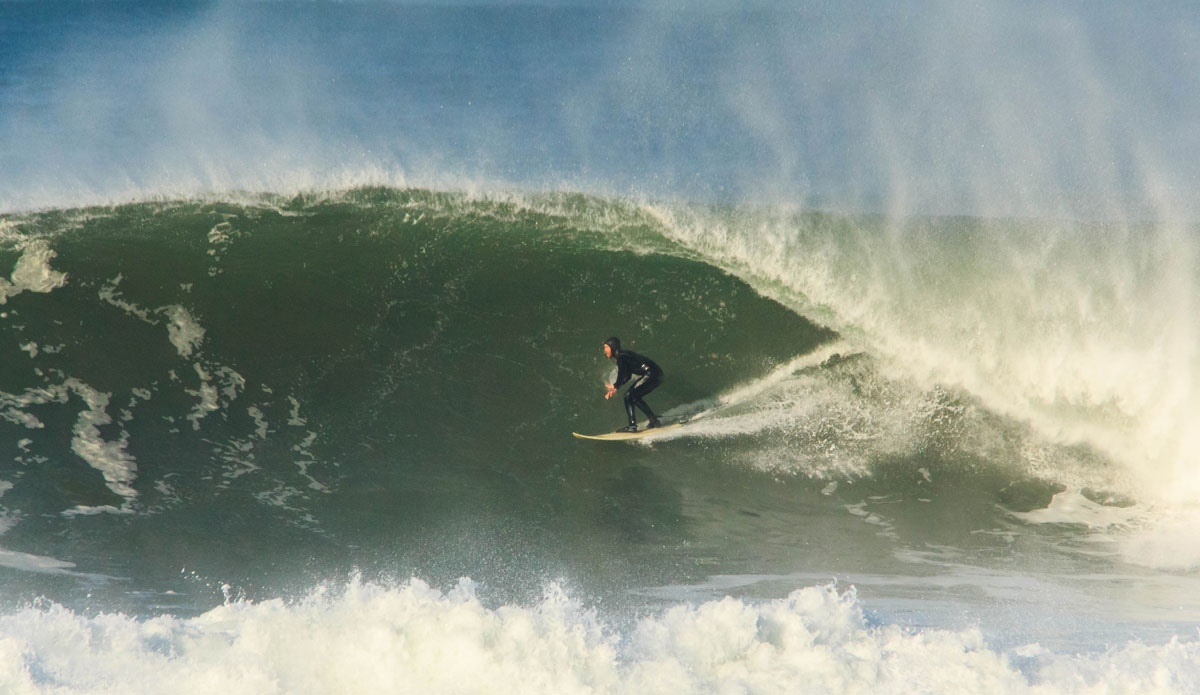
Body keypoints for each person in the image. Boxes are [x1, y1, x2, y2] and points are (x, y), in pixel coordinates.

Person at [602, 336, 663, 432]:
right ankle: (654, 421)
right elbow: (627, 376)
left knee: (628, 396)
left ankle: (632, 426)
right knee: (634, 397)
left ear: (612, 347)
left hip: (651, 374)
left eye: (606, 347)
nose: (605, 350)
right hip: (656, 374)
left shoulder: (621, 358)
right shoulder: (624, 356)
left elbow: (622, 374)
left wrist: (615, 386)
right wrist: (615, 387)